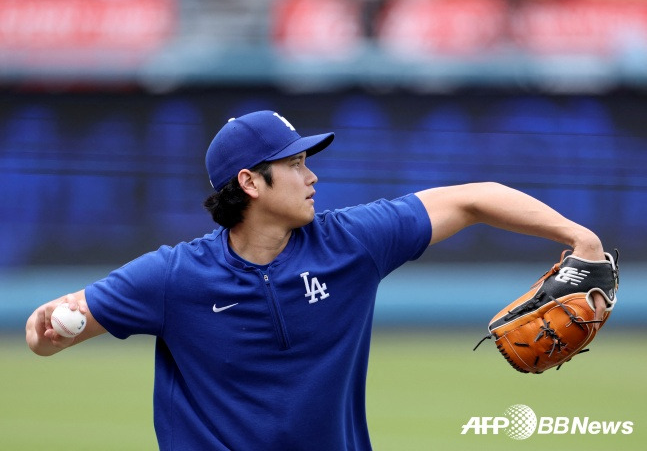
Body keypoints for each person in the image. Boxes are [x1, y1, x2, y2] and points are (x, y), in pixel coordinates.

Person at [26, 110, 609, 450]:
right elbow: (50, 333)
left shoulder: (351, 242)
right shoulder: (172, 276)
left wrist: (581, 240)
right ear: (251, 183)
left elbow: (474, 198)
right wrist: (47, 325)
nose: (312, 175)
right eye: (296, 163)